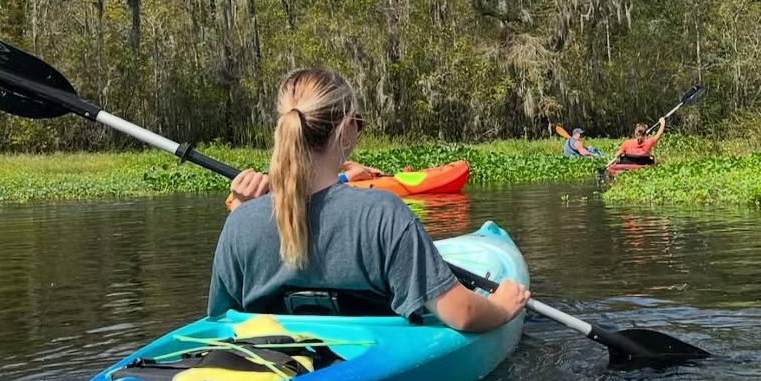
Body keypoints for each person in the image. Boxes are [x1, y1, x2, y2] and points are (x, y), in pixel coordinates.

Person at [210, 66, 529, 331]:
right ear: (346, 130)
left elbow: (220, 323)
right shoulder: (383, 214)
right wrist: (500, 308)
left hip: (276, 368)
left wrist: (243, 212)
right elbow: (462, 314)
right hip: (367, 367)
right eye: (357, 124)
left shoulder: (240, 221)